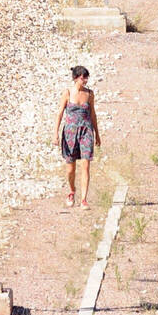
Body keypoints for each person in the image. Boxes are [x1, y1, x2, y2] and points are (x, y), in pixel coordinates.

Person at [54, 65, 100, 209]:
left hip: (86, 131)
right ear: (75, 78)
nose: (85, 80)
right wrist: (55, 133)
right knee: (70, 169)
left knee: (86, 165)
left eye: (86, 77)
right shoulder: (67, 93)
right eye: (83, 78)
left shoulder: (90, 94)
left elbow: (93, 114)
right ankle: (72, 191)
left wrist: (97, 134)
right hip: (70, 133)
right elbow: (60, 113)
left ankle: (84, 199)